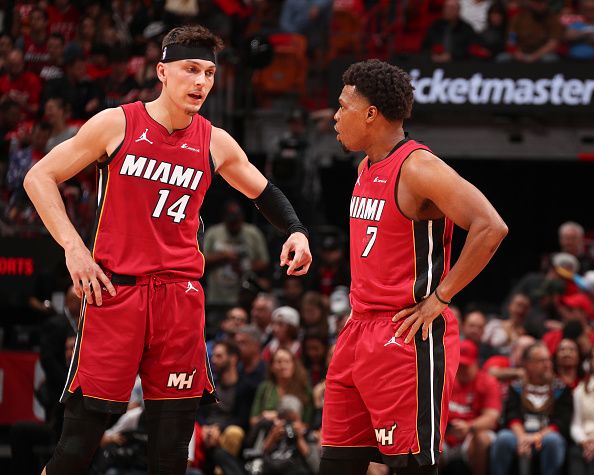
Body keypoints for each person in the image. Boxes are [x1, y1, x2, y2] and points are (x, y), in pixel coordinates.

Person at [23, 24, 312, 475]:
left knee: (171, 450)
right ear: (162, 71)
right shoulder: (117, 123)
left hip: (179, 299)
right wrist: (74, 250)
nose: (201, 82)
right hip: (116, 294)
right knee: (77, 446)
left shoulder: (214, 141)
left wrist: (295, 229)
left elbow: (264, 191)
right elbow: (38, 177)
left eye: (210, 73)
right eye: (190, 69)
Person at [321, 59, 507, 475]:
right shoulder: (365, 166)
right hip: (358, 330)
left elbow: (490, 226)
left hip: (406, 334)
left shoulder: (419, 167)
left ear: (370, 114)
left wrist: (441, 298)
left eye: (342, 106)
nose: (335, 116)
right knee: (336, 463)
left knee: (411, 466)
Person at [490, 342, 572, 475]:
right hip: (519, 434)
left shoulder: (561, 389)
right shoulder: (516, 387)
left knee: (554, 441)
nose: (547, 365)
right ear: (528, 364)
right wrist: (522, 437)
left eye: (548, 360)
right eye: (541, 361)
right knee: (502, 439)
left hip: (546, 435)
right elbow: (512, 415)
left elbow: (561, 422)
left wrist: (535, 437)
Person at [570, 346, 594, 475]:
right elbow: (576, 424)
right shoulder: (580, 390)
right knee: (575, 454)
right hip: (585, 441)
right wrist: (584, 441)